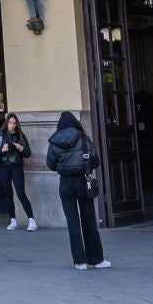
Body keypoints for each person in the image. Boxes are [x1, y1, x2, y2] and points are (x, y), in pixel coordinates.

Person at [45, 112, 107, 269]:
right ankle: (97, 259)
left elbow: (51, 164)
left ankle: (80, 262)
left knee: (72, 223)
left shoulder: (54, 140)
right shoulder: (83, 137)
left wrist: (63, 166)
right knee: (89, 220)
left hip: (65, 183)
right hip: (83, 181)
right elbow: (95, 160)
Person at [0, 113, 37, 231]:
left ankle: (32, 220)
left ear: (17, 125)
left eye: (14, 123)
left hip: (16, 167)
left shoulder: (20, 135)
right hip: (3, 167)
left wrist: (20, 148)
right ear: (7, 123)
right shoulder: (1, 135)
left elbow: (28, 153)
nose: (12, 125)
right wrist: (2, 149)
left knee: (21, 193)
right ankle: (13, 220)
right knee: (8, 194)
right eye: (10, 122)